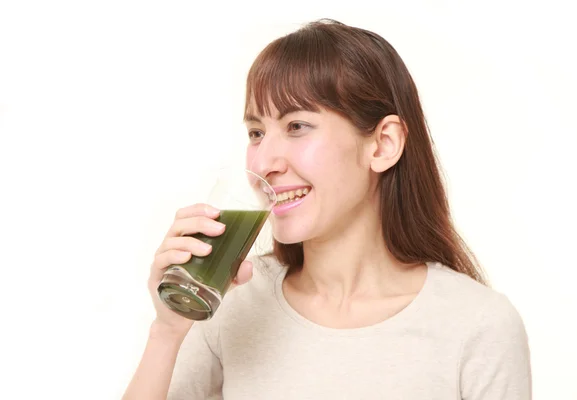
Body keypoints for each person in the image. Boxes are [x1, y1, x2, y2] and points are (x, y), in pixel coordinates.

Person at [122, 19, 532, 400]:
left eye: (297, 126)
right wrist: (167, 332)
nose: (264, 163)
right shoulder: (231, 304)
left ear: (383, 144)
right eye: (256, 133)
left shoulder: (477, 325)